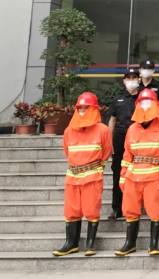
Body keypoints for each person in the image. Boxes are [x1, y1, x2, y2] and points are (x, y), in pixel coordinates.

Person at [53, 92, 112, 257]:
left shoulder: (103, 130)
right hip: (73, 176)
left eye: (86, 108)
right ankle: (71, 243)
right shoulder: (68, 131)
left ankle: (90, 243)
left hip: (92, 176)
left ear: (94, 110)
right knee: (71, 210)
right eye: (80, 108)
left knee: (92, 209)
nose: (82, 111)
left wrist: (95, 168)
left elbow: (106, 152)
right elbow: (67, 151)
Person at [114, 88, 159, 256]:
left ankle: (154, 244)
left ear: (156, 105)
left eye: (149, 102)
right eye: (142, 103)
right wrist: (123, 177)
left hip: (153, 175)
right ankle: (130, 243)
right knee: (130, 209)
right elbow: (127, 155)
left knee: (155, 210)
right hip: (132, 176)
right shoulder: (132, 128)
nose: (145, 106)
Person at [107, 66, 140, 220]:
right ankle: (117, 207)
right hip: (120, 136)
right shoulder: (118, 99)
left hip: (138, 137)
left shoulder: (143, 98)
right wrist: (110, 142)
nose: (131, 81)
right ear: (124, 81)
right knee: (118, 172)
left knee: (139, 171)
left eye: (134, 78)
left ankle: (136, 206)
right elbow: (112, 121)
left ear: (139, 80)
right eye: (129, 78)